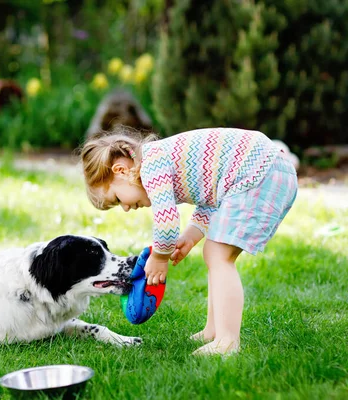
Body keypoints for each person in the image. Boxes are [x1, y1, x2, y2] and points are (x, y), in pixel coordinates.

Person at [80, 127, 298, 355]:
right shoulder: (158, 159)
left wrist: (160, 257)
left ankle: (228, 341)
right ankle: (213, 331)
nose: (125, 208)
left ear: (121, 170)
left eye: (117, 199)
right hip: (261, 170)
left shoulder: (152, 166)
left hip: (259, 171)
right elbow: (211, 197)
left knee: (218, 256)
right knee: (214, 254)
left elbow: (166, 220)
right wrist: (192, 235)